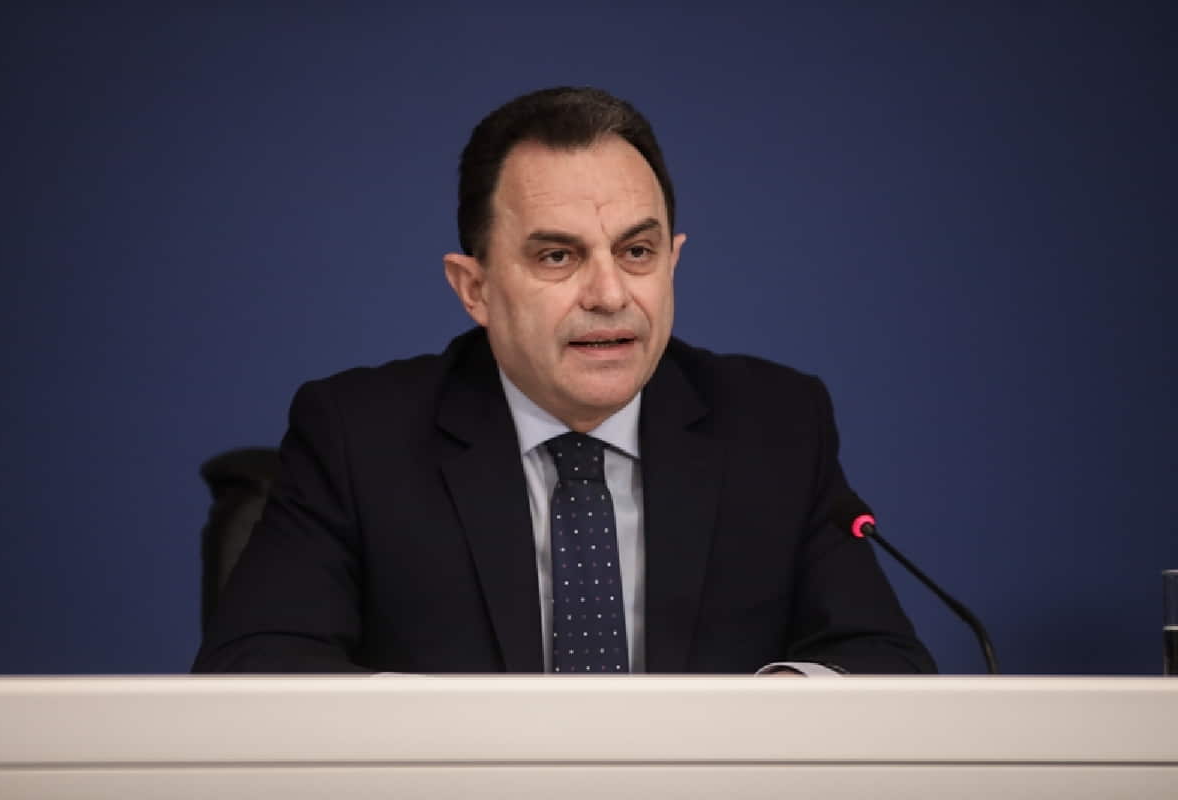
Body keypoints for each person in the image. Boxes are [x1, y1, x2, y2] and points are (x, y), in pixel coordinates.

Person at [193, 87, 935, 676]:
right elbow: (254, 668)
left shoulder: (775, 426)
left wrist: (758, 716)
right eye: (558, 257)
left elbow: (883, 661)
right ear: (475, 288)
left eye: (637, 252)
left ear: (673, 261)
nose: (610, 294)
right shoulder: (359, 435)